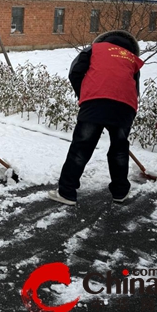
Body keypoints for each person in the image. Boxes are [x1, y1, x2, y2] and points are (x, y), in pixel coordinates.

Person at [48, 30, 144, 206]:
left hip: (95, 102)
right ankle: (120, 192)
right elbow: (134, 88)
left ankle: (67, 192)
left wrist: (85, 96)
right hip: (125, 106)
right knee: (119, 149)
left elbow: (75, 72)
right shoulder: (131, 58)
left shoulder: (93, 49)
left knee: (82, 147)